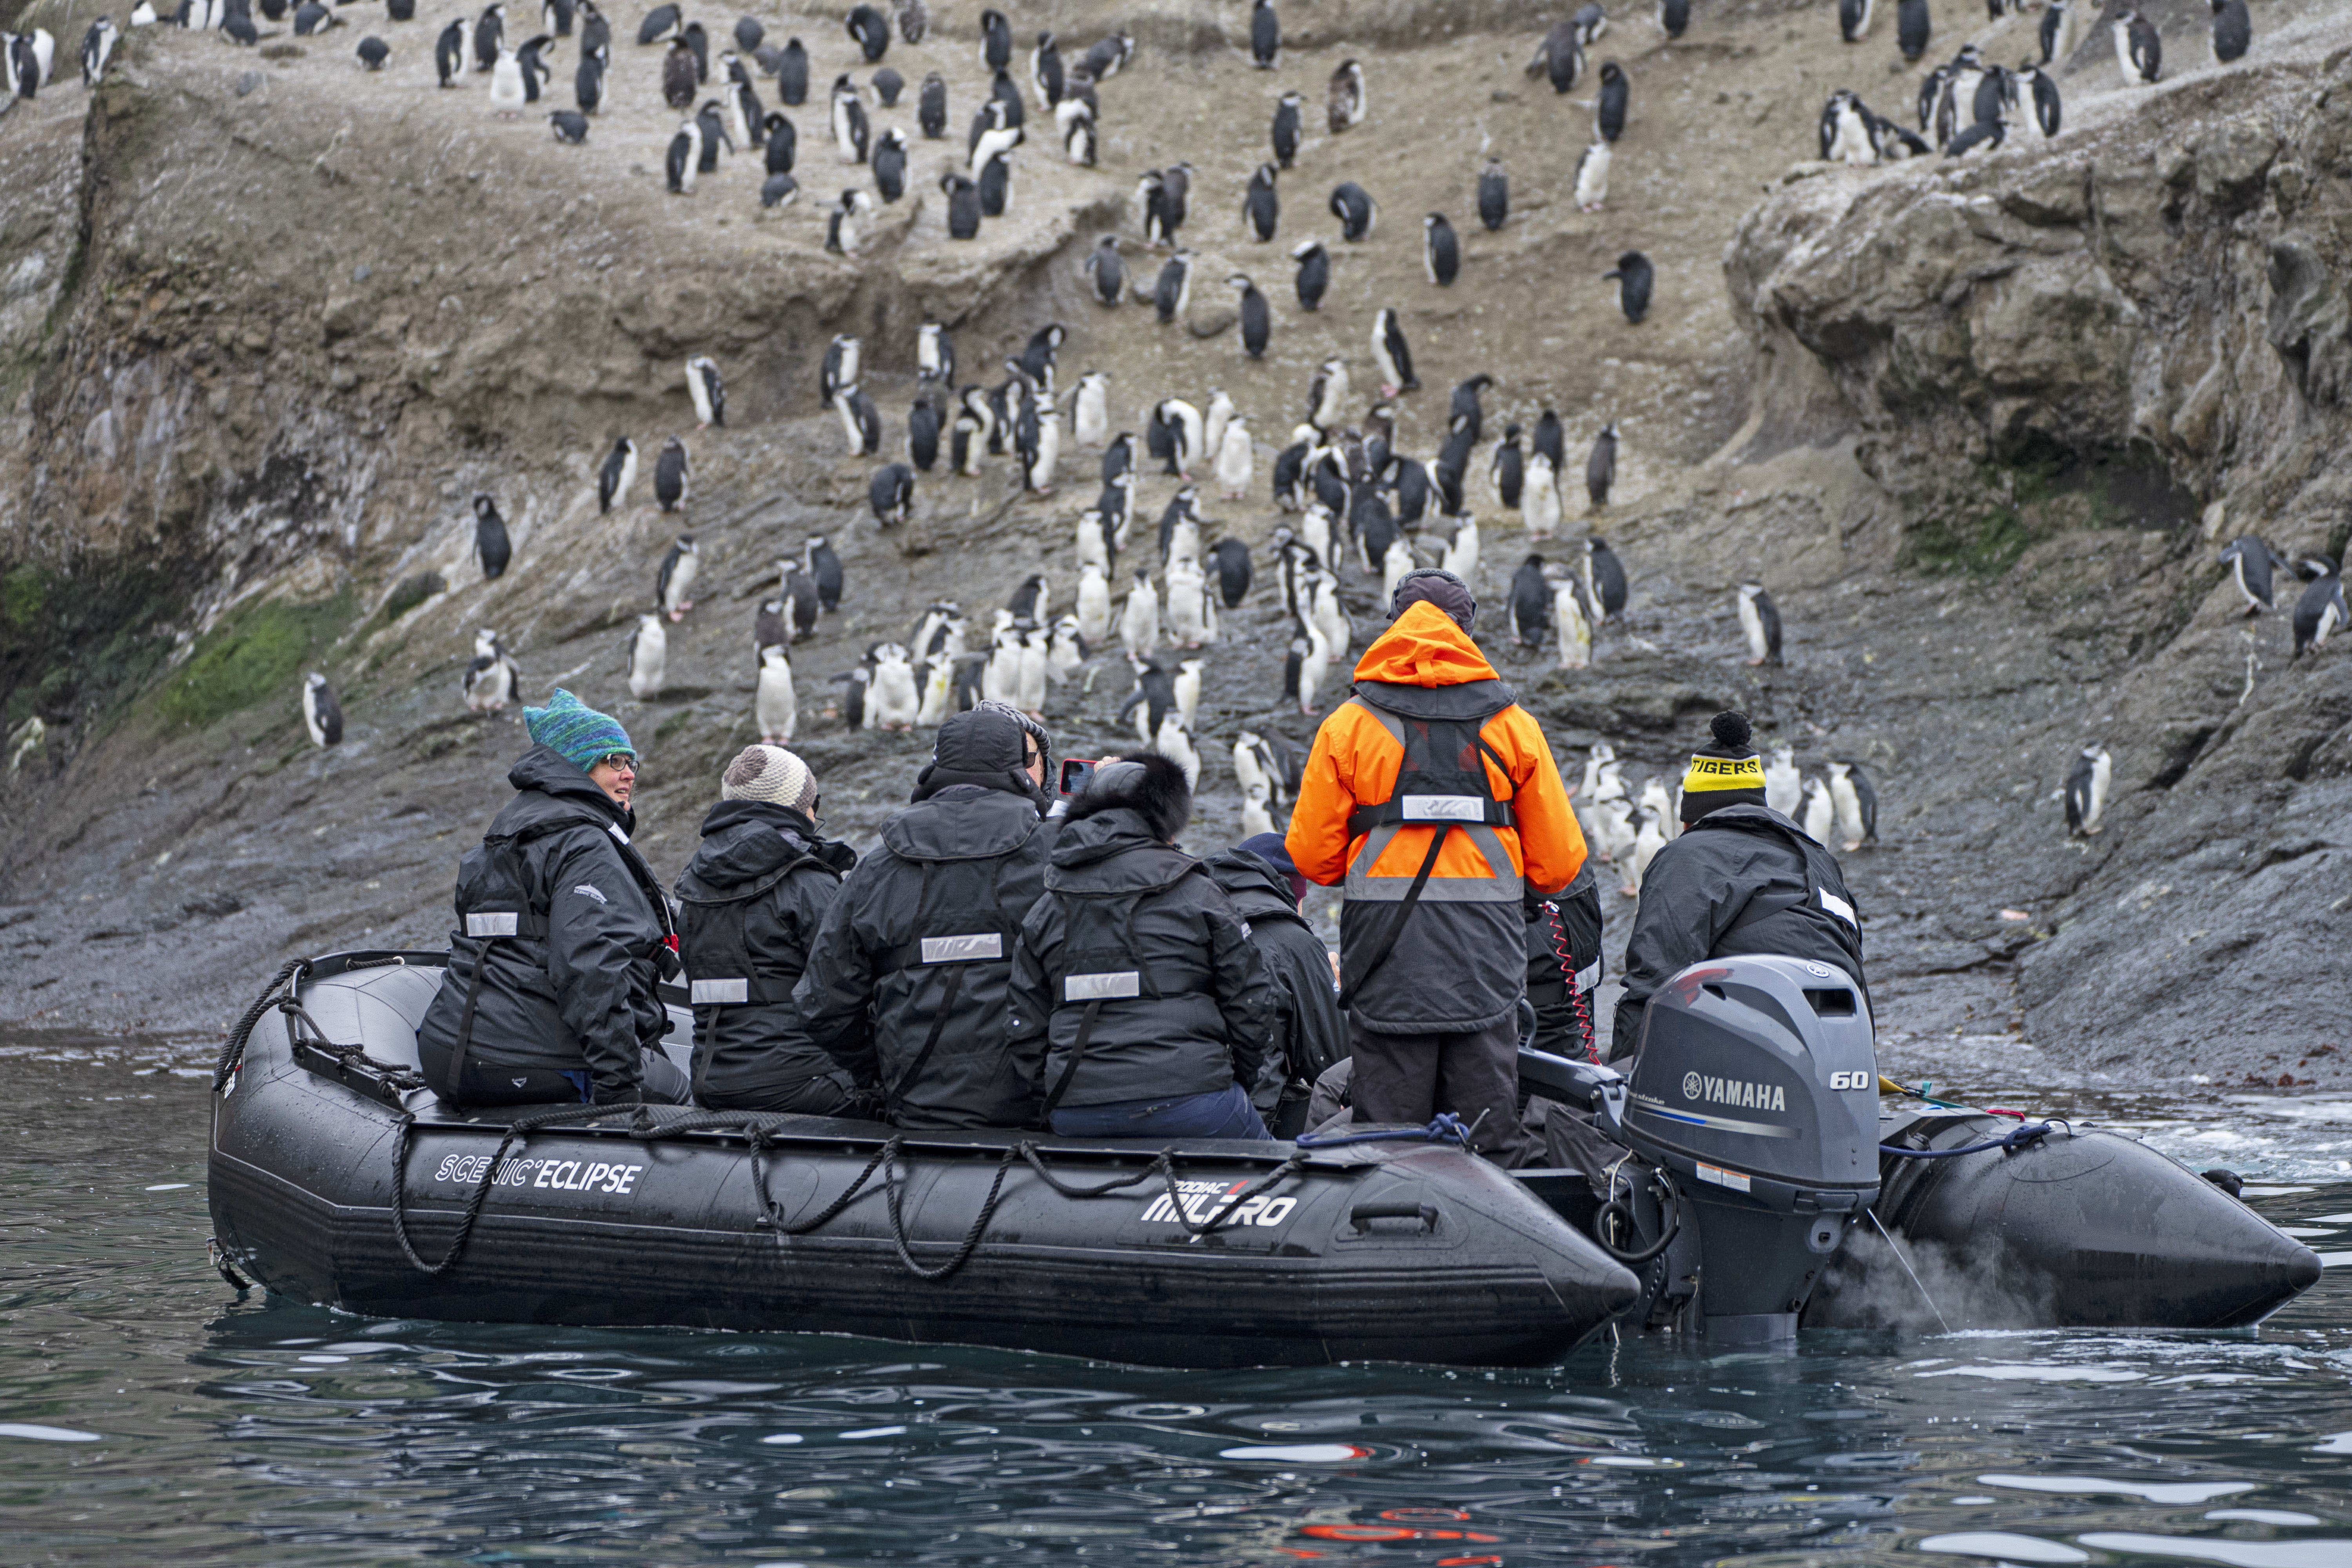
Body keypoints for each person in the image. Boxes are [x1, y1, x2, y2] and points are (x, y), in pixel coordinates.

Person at [1286, 568, 1584, 1163]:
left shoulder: (1348, 726)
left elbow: (1312, 860)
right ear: (1467, 633)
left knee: (1388, 1152)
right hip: (1486, 975)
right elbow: (1558, 867)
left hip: (1388, 972)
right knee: (1489, 1151)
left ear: (1394, 628)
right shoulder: (1514, 726)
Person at [415, 689, 690, 1107]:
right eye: (613, 761)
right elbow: (589, 966)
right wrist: (619, 1083)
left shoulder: (506, 832)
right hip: (523, 1059)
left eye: (631, 762)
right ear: (578, 766)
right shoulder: (583, 844)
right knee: (679, 1092)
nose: (630, 773)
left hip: (445, 1053)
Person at [795, 704, 1056, 1128]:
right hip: (1037, 1112)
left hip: (916, 1106)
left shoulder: (878, 868)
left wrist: (879, 1073)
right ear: (1024, 769)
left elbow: (822, 1004)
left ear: (936, 766)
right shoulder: (1057, 858)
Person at [1008, 753, 1275, 1139]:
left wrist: (1056, 1097)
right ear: (1165, 816)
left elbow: (1025, 1021)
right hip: (1190, 1100)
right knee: (1269, 1172)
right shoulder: (1199, 892)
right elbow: (1251, 1001)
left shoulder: (1047, 906)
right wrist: (1237, 1083)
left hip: (1078, 1109)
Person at [1610, 710, 1867, 1062]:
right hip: (1846, 1047)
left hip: (1759, 1052)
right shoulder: (1818, 855)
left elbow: (1653, 981)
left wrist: (1623, 1082)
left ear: (1690, 816)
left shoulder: (1687, 856)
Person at [674, 744, 865, 1114]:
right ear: (795, 808)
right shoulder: (809, 884)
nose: (813, 814)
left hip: (711, 1080)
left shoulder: (694, 886)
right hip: (798, 1082)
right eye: (813, 802)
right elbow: (848, 988)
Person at [1201, 831, 1345, 1137]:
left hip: (1177, 1103)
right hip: (1252, 1119)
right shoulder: (1294, 942)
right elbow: (1333, 1060)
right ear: (1292, 892)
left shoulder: (1191, 920)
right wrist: (1334, 991)